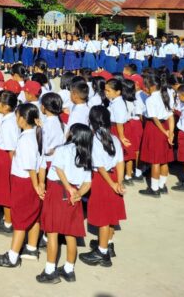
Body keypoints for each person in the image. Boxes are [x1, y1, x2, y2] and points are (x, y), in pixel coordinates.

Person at [37, 123, 93, 284]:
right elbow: (87, 183)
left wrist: (68, 188)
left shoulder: (62, 150)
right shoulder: (86, 155)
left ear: (73, 135)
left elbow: (59, 170)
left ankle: (50, 270)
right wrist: (77, 194)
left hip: (57, 190)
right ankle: (69, 269)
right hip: (74, 193)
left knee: (52, 232)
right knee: (70, 234)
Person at [0, 102, 44, 269]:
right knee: (34, 215)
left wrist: (35, 184)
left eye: (17, 116)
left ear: (22, 119)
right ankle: (32, 248)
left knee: (19, 218)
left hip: (24, 181)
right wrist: (41, 183)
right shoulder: (38, 134)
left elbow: (29, 166)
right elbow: (41, 163)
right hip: (33, 181)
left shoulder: (27, 139)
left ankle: (12, 256)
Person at [80, 105, 126, 267]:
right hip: (113, 176)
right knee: (112, 215)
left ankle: (102, 252)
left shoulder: (95, 140)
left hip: (102, 180)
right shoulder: (114, 138)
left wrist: (112, 184)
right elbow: (120, 161)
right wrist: (119, 182)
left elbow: (99, 167)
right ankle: (108, 244)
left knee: (103, 218)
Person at [138, 73, 175, 196]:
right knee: (164, 159)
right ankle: (162, 185)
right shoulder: (167, 94)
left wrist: (164, 132)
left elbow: (154, 118)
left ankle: (154, 189)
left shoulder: (150, 99)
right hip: (165, 126)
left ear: (152, 86)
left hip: (155, 129)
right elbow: (170, 116)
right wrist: (171, 132)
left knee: (155, 160)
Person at [0, 90, 19, 234]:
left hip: (5, 159)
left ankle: (8, 223)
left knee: (5, 191)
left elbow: (11, 149)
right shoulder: (11, 118)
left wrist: (14, 167)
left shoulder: (9, 124)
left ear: (5, 107)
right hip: (3, 157)